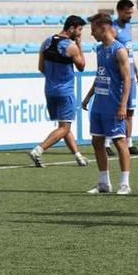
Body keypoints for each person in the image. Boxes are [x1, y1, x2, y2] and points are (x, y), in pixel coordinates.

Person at [81, 13, 132, 195]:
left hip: (114, 104)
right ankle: (104, 182)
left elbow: (127, 80)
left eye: (93, 29)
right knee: (97, 141)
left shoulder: (119, 50)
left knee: (119, 142)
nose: (92, 33)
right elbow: (100, 74)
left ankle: (125, 183)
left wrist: (123, 105)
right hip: (99, 104)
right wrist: (88, 96)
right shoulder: (99, 49)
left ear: (103, 28)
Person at [29, 15, 89, 167]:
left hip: (49, 90)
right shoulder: (71, 46)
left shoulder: (47, 42)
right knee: (64, 127)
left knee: (63, 126)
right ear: (71, 28)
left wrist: (53, 78)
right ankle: (38, 150)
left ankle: (78, 156)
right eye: (79, 29)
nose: (80, 33)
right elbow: (81, 66)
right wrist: (80, 45)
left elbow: (41, 67)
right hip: (65, 91)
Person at [111, 0, 138, 155]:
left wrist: (136, 70)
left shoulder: (129, 26)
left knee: (130, 110)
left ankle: (129, 143)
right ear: (119, 11)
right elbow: (110, 52)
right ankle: (106, 143)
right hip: (119, 76)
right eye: (127, 13)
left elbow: (130, 52)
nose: (130, 15)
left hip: (131, 75)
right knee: (116, 109)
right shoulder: (112, 28)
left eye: (131, 12)